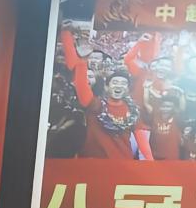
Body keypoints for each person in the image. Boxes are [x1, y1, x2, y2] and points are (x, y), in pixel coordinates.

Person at [61, 23, 152, 159]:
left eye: (123, 84)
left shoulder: (133, 111)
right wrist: (82, 61)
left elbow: (142, 139)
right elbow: (82, 89)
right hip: (93, 163)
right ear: (107, 87)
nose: (119, 86)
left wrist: (150, 162)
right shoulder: (96, 105)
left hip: (123, 164)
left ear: (127, 89)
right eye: (115, 82)